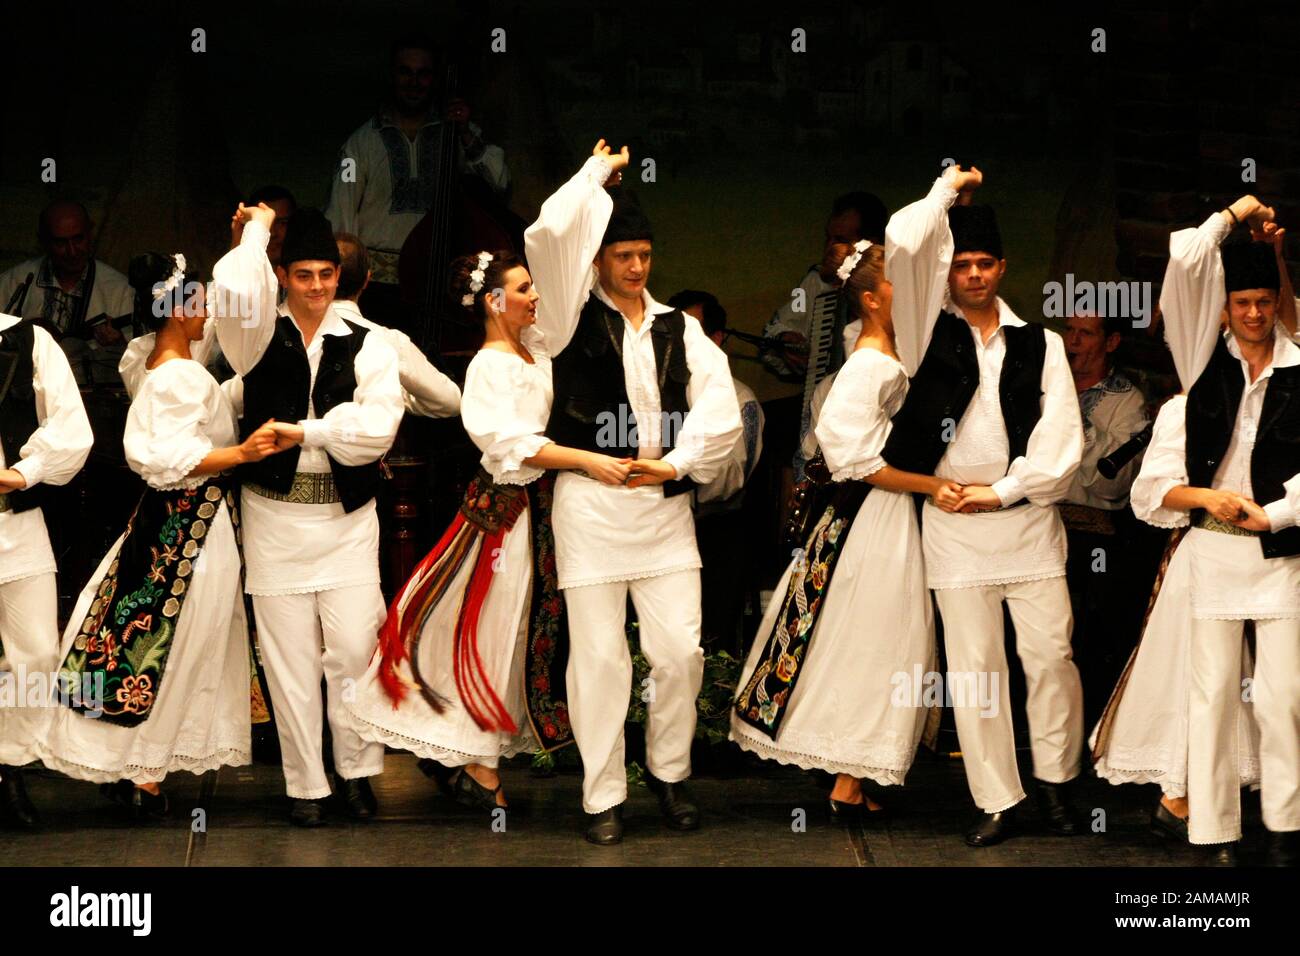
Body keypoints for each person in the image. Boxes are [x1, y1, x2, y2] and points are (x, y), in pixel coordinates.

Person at [346, 250, 626, 809]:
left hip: (542, 512)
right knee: (490, 628)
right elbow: (507, 444)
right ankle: (475, 758)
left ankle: (472, 756)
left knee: (513, 628)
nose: (535, 296)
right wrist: (585, 460)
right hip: (508, 513)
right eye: (524, 288)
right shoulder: (489, 365)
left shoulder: (535, 350)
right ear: (494, 301)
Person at [524, 141, 741, 845]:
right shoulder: (564, 318)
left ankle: (670, 771)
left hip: (662, 509)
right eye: (624, 255)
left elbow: (721, 411)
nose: (637, 266)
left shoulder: (683, 328)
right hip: (590, 507)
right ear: (598, 260)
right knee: (599, 659)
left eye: (645, 254)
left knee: (679, 652)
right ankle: (602, 793)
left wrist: (675, 465)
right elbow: (547, 232)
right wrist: (592, 176)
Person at [879, 167, 1086, 847]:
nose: (972, 274)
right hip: (952, 526)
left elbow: (1061, 445)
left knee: (1051, 655)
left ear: (1002, 266)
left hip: (1025, 521)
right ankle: (996, 796)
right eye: (961, 263)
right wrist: (942, 191)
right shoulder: (921, 331)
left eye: (983, 263)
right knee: (975, 670)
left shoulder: (1042, 343)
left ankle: (1057, 780)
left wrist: (999, 491)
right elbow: (904, 241)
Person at [40, 252, 283, 818]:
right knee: (178, 641)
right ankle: (140, 772)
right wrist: (241, 453)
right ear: (175, 311)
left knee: (155, 639)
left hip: (168, 519)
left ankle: (134, 766)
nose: (208, 313)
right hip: (188, 525)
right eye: (199, 303)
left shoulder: (147, 359)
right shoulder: (178, 375)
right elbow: (164, 457)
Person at [732, 223, 960, 816]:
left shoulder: (886, 352)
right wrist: (933, 484)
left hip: (879, 513)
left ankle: (847, 776)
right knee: (871, 634)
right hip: (869, 514)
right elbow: (850, 456)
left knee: (869, 634)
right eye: (897, 285)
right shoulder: (867, 365)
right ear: (872, 298)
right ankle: (846, 774)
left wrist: (943, 203)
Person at [209, 203, 404, 827]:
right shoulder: (256, 333)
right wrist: (258, 231)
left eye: (326, 274)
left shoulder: (371, 345)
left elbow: (376, 431)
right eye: (304, 275)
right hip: (274, 519)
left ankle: (355, 771)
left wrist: (307, 432)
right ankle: (306, 785)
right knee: (289, 660)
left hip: (346, 521)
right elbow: (236, 285)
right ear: (284, 276)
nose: (317, 287)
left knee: (351, 648)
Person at [1122, 195, 1300, 866]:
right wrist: (1236, 210)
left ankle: (1285, 830)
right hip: (1212, 555)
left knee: (1284, 699)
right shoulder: (1202, 378)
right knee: (1213, 699)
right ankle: (1215, 833)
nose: (1252, 314)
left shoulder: (1298, 370)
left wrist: (1275, 514)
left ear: (1274, 300)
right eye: (1241, 303)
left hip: (1281, 555)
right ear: (1224, 307)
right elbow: (1150, 491)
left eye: (1263, 301)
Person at [325, 34, 510, 328]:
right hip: (377, 290)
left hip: (438, 283)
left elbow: (498, 181)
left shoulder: (455, 133)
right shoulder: (361, 144)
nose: (414, 82)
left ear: (434, 79)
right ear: (392, 75)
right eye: (405, 72)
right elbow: (340, 216)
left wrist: (463, 131)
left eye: (423, 74)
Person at [0, 310, 93, 827]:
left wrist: (23, 472)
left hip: (15, 524)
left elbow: (70, 423)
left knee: (36, 653)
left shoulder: (25, 337)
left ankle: (10, 763)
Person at [1060, 311, 1152, 722]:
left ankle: (1088, 718)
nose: (1073, 341)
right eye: (1069, 331)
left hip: (1091, 534)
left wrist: (1076, 424)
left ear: (1111, 343)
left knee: (1090, 631)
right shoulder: (1045, 387)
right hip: (1033, 521)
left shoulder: (1126, 401)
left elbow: (1110, 486)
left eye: (1086, 333)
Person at [667, 289, 764, 652]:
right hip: (657, 527)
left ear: (716, 340)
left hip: (713, 532)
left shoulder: (741, 401)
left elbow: (730, 480)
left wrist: (672, 471)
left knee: (706, 641)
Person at [0, 200, 135, 386]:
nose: (72, 251)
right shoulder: (12, 282)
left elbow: (136, 367)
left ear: (90, 233)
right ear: (43, 241)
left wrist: (119, 344)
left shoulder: (120, 291)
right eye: (60, 242)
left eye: (78, 239)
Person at [330, 233, 462, 418]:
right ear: (367, 279)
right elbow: (449, 402)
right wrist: (396, 395)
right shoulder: (388, 341)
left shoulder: (281, 325)